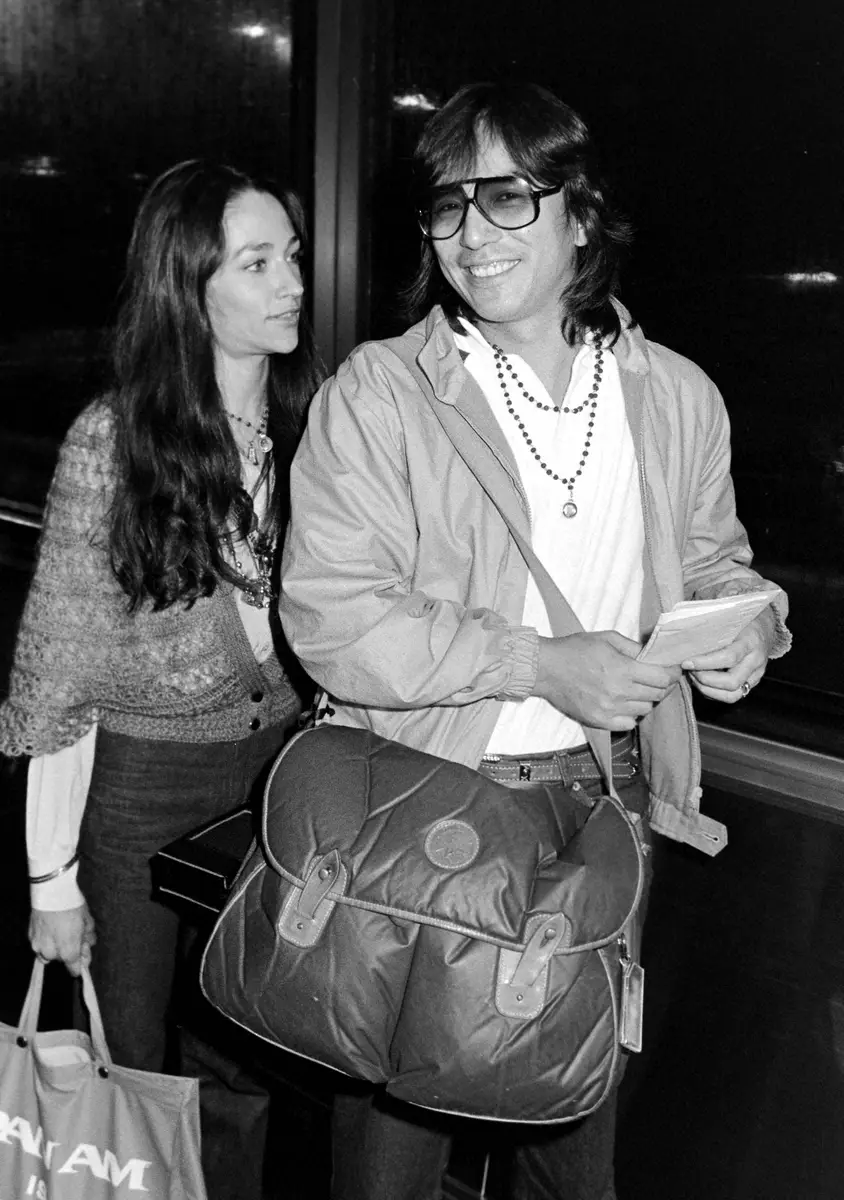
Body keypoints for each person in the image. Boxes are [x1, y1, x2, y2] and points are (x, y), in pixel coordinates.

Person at [279, 81, 792, 1200]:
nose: (471, 234)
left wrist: (750, 626)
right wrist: (540, 664)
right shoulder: (382, 394)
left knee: (574, 1143)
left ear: (580, 213)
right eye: (447, 205)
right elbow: (333, 617)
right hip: (428, 807)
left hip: (607, 810)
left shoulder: (676, 396)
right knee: (391, 1153)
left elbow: (715, 563)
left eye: (506, 197)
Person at [0, 160, 322, 1198]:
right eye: (257, 263)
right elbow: (60, 681)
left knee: (247, 1054)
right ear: (189, 285)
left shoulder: (316, 427)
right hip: (139, 791)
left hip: (274, 783)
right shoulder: (114, 443)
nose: (293, 283)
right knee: (131, 1062)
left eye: (293, 257)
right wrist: (51, 881)